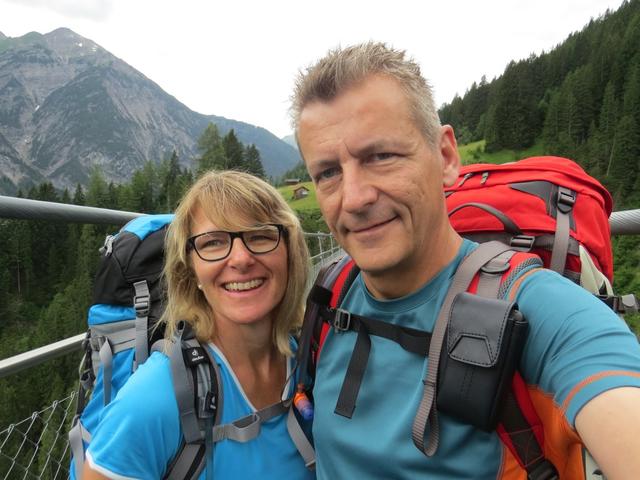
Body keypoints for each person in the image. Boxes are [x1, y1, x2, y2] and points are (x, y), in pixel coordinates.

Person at [291, 42, 640, 479]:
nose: (355, 198)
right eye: (328, 172)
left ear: (445, 157)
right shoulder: (330, 292)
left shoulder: (534, 307)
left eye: (381, 157)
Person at [82, 170, 314, 479]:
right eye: (214, 242)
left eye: (260, 235)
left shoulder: (312, 360)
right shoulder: (155, 398)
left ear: (290, 254)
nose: (241, 258)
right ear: (191, 271)